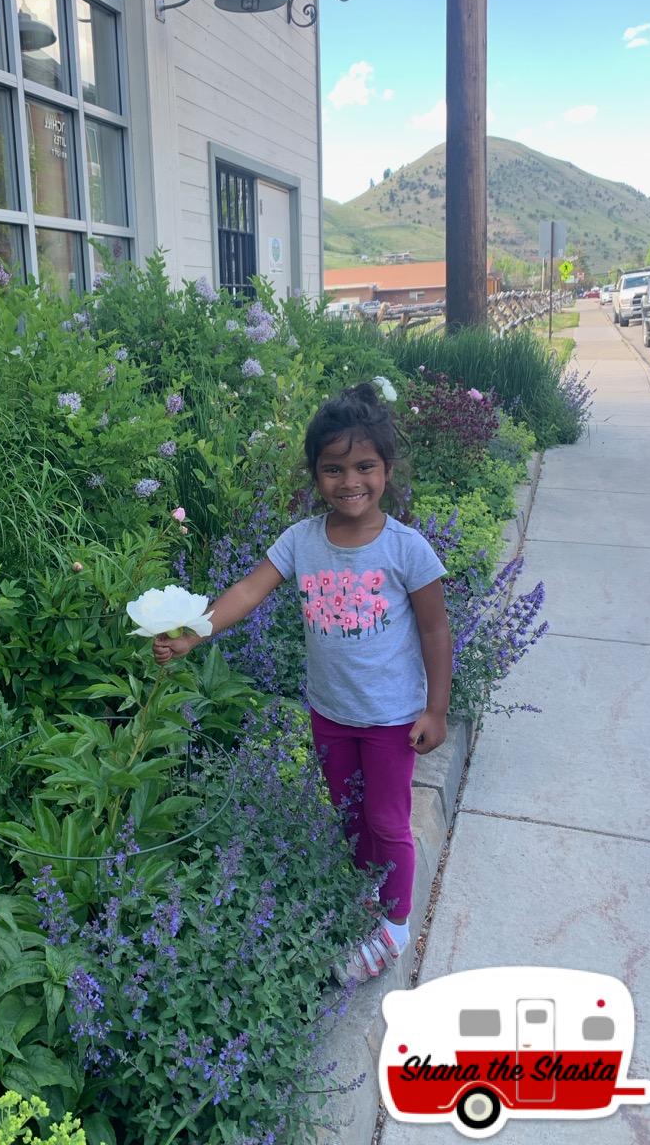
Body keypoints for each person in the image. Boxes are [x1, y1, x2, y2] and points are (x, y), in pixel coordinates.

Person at [153, 383, 452, 983]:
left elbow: (436, 631)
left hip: (393, 716)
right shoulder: (301, 542)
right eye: (333, 468)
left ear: (387, 470)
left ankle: (394, 928)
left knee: (388, 819)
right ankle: (370, 893)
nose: (350, 482)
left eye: (364, 467)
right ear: (316, 473)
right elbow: (247, 590)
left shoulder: (406, 549)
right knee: (348, 813)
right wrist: (194, 631)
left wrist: (437, 710)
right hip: (331, 713)